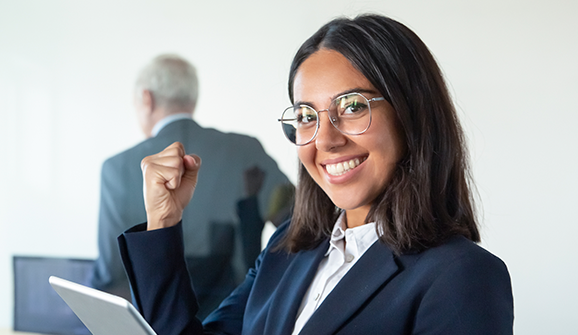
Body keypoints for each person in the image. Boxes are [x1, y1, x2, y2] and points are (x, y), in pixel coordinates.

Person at [118, 14, 514, 334]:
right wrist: (164, 222)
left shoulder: (464, 277)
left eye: (353, 107)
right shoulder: (287, 249)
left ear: (411, 116)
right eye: (306, 116)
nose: (325, 139)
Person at [91, 54, 291, 318]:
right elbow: (302, 226)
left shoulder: (117, 168)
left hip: (153, 322)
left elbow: (110, 273)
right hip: (239, 319)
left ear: (147, 99)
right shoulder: (246, 150)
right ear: (192, 99)